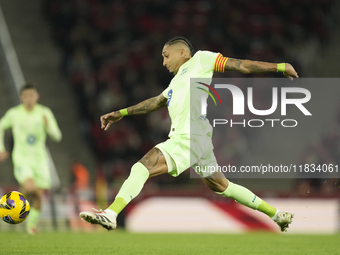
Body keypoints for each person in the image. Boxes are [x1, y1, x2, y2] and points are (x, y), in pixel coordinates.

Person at [80, 36, 298, 232]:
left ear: (182, 52)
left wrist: (280, 66)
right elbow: (156, 102)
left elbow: (241, 66)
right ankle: (277, 215)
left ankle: (111, 213)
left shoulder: (201, 60)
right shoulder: (176, 81)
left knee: (141, 166)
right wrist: (122, 113)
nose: (164, 62)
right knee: (223, 186)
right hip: (199, 140)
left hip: (188, 137)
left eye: (166, 56)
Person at [0, 84, 62, 234]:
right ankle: (9, 209)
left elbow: (57, 136)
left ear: (37, 96)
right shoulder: (14, 113)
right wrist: (1, 148)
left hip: (40, 159)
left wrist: (49, 126)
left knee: (38, 195)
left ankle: (30, 226)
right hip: (22, 158)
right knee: (30, 188)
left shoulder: (44, 112)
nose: (29, 99)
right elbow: (0, 126)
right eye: (26, 96)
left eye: (31, 95)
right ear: (21, 97)